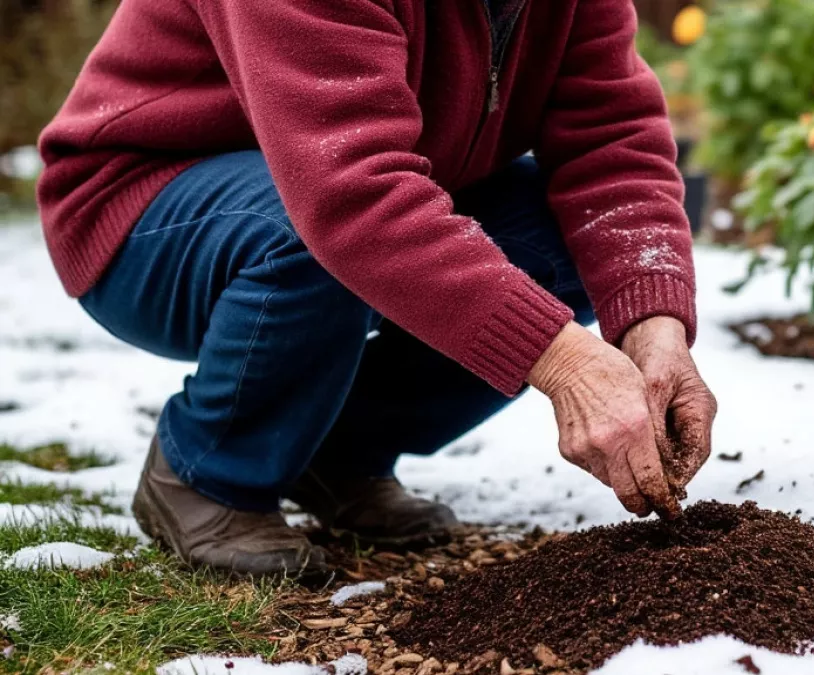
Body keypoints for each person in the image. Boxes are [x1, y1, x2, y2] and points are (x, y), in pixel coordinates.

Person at [36, 0, 718, 577]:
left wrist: (654, 331)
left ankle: (335, 452)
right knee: (309, 232)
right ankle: (208, 471)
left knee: (580, 237)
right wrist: (566, 362)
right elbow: (348, 191)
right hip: (147, 212)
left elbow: (612, 142)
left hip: (351, 193)